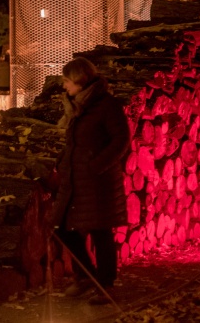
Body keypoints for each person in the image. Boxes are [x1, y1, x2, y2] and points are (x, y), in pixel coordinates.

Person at [51, 57, 130, 305]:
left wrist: (97, 165)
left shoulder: (106, 105)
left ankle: (104, 285)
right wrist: (64, 160)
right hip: (76, 180)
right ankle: (86, 277)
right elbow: (77, 141)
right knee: (63, 228)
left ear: (79, 80)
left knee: (100, 232)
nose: (64, 86)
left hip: (97, 182)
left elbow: (121, 140)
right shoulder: (77, 105)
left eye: (66, 81)